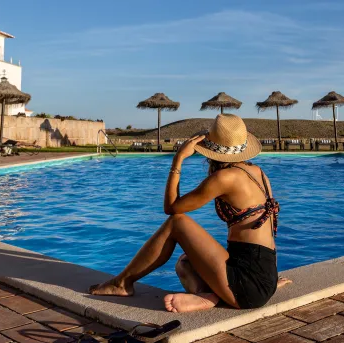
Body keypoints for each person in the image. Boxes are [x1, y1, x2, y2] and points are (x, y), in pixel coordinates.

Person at [89, 113, 291, 313]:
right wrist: (266, 281)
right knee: (184, 263)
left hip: (246, 285)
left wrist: (178, 159)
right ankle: (207, 295)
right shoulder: (258, 173)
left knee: (177, 223)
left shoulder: (225, 177)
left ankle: (122, 283)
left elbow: (171, 208)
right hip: (265, 274)